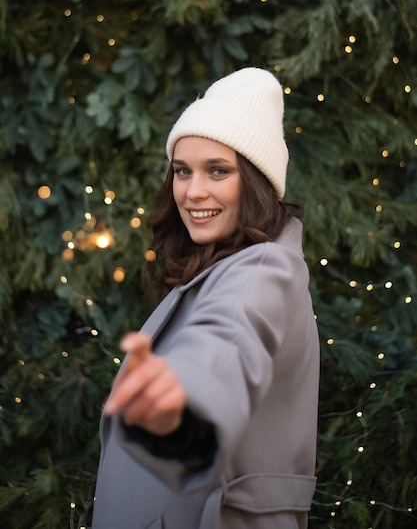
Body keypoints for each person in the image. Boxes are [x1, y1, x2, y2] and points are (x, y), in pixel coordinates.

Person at [92, 67, 320, 529]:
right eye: (182, 171)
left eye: (218, 171)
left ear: (256, 181)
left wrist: (182, 404)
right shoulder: (217, 265)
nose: (193, 192)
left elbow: (224, 346)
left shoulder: (263, 269)